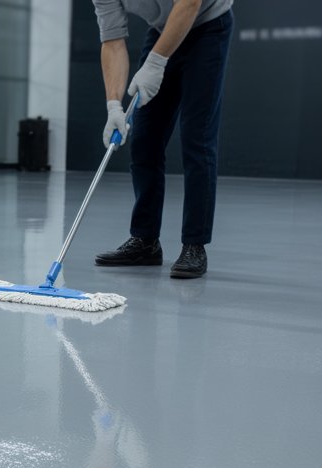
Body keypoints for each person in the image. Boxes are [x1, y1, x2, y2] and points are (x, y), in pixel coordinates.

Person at [92, 0, 234, 279]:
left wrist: (156, 62)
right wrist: (113, 106)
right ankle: (145, 241)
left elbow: (190, 3)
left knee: (197, 138)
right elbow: (112, 41)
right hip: (163, 30)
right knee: (145, 139)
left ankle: (194, 245)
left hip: (208, 25)